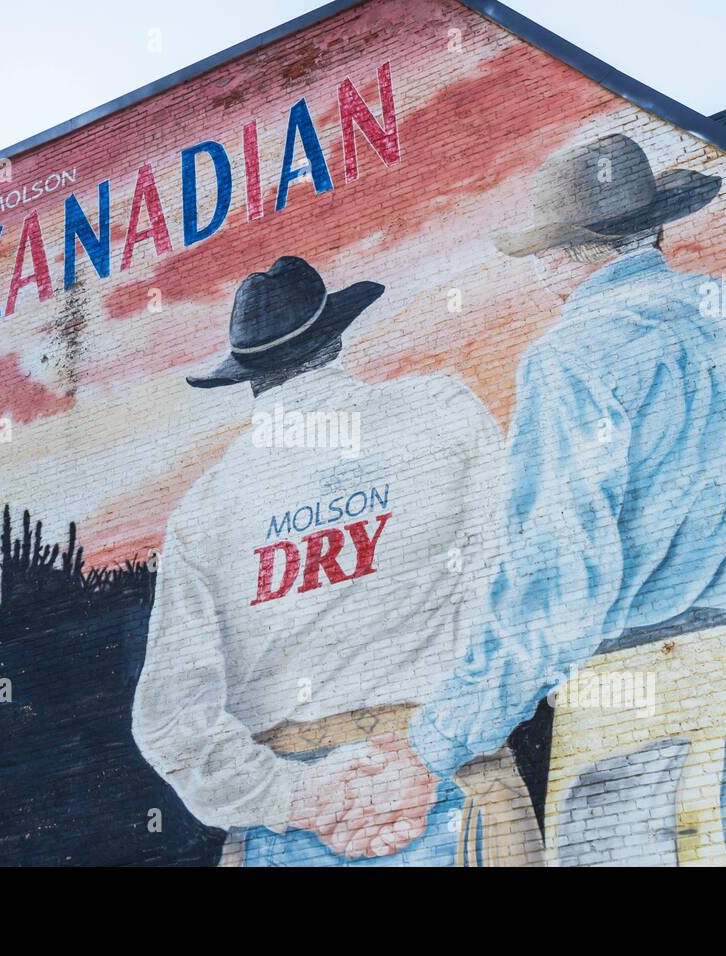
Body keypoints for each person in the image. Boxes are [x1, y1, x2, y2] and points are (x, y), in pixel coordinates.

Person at [401, 133, 726, 865]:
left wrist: (443, 736)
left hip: (666, 694)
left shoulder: (569, 358)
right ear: (649, 228)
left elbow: (555, 586)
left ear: (559, 257)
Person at [132, 255, 541, 865]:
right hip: (455, 788)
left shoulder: (206, 508)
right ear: (335, 334)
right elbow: (519, 599)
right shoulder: (443, 411)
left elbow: (169, 720)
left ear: (248, 372)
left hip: (287, 834)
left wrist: (301, 796)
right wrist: (429, 751)